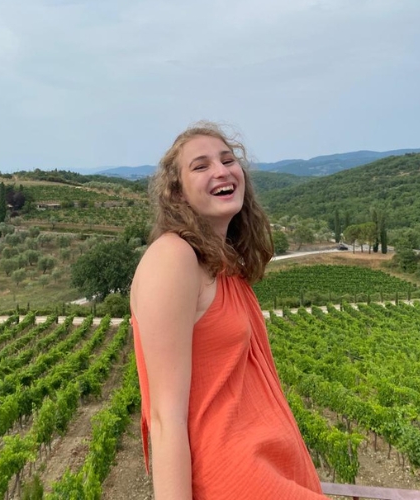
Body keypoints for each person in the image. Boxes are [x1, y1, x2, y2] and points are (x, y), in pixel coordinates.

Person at [130, 122, 328, 499]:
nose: (221, 170)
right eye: (200, 166)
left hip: (271, 474)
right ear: (176, 193)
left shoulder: (223, 266)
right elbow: (164, 418)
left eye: (227, 159)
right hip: (235, 481)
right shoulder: (172, 259)